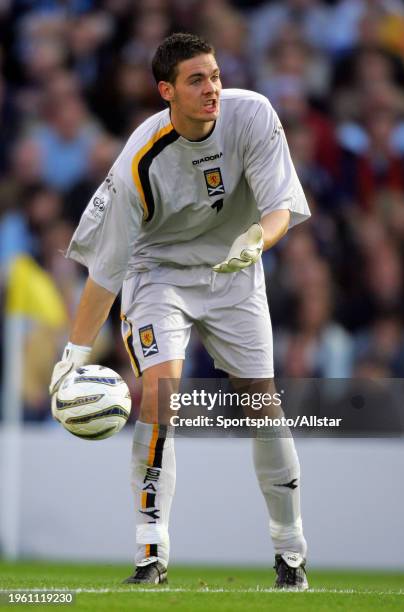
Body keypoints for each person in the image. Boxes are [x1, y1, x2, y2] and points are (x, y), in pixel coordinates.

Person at [49, 32, 311, 590]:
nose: (212, 88)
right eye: (196, 80)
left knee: (261, 404)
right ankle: (151, 556)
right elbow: (106, 269)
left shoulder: (254, 115)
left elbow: (279, 208)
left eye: (214, 75)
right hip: (159, 273)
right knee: (159, 397)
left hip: (236, 270)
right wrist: (72, 354)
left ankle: (291, 553)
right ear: (166, 91)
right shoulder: (138, 161)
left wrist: (257, 243)